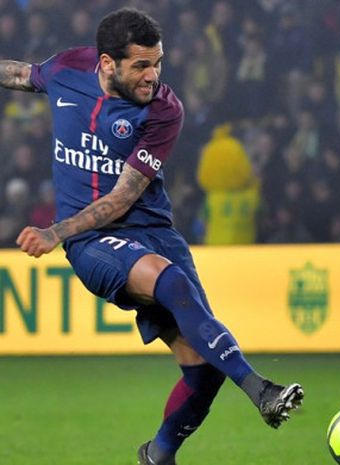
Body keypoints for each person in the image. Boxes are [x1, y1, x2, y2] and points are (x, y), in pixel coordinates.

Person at [3, 8, 302, 465]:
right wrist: (62, 234)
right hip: (91, 241)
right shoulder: (67, 70)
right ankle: (261, 390)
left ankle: (157, 456)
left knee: (203, 371)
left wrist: (51, 231)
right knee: (171, 282)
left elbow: (123, 197)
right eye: (141, 65)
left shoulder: (164, 110)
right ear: (107, 64)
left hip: (152, 231)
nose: (153, 76)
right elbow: (23, 75)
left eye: (158, 63)